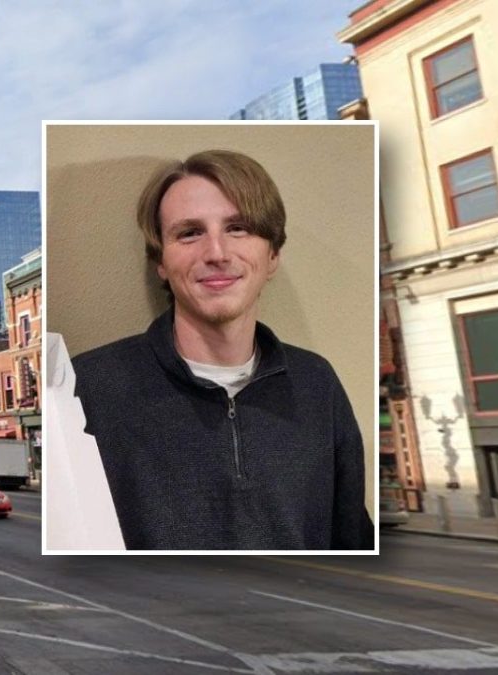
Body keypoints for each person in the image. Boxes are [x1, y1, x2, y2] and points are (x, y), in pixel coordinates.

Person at [72, 149, 374, 551]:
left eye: (239, 228)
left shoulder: (317, 383)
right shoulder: (89, 387)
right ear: (161, 260)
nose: (216, 253)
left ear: (273, 255)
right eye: (189, 233)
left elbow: (352, 540)